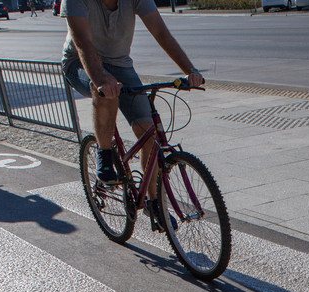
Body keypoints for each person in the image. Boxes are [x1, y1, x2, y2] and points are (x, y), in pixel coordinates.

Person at [61, 0, 203, 188]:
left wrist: (190, 70)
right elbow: (82, 42)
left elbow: (161, 32)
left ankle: (154, 204)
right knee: (105, 91)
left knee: (149, 135)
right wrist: (101, 80)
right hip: (78, 62)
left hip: (120, 64)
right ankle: (104, 153)